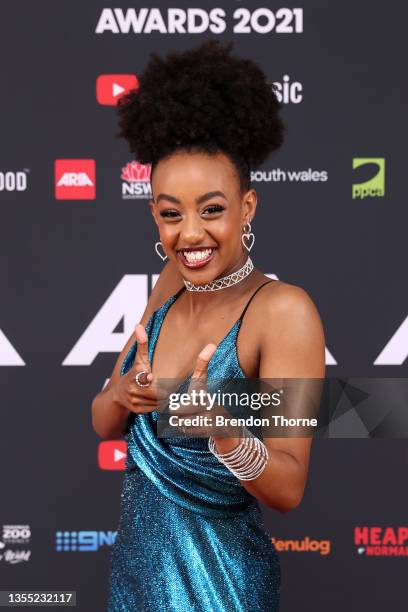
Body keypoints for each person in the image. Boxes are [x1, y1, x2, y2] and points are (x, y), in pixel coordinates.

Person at [91, 40, 326, 612]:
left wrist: (225, 433)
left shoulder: (284, 311)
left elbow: (289, 488)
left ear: (248, 207)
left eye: (212, 209)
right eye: (172, 213)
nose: (190, 234)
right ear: (154, 214)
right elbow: (102, 423)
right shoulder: (170, 284)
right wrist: (121, 392)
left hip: (221, 589)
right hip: (133, 584)